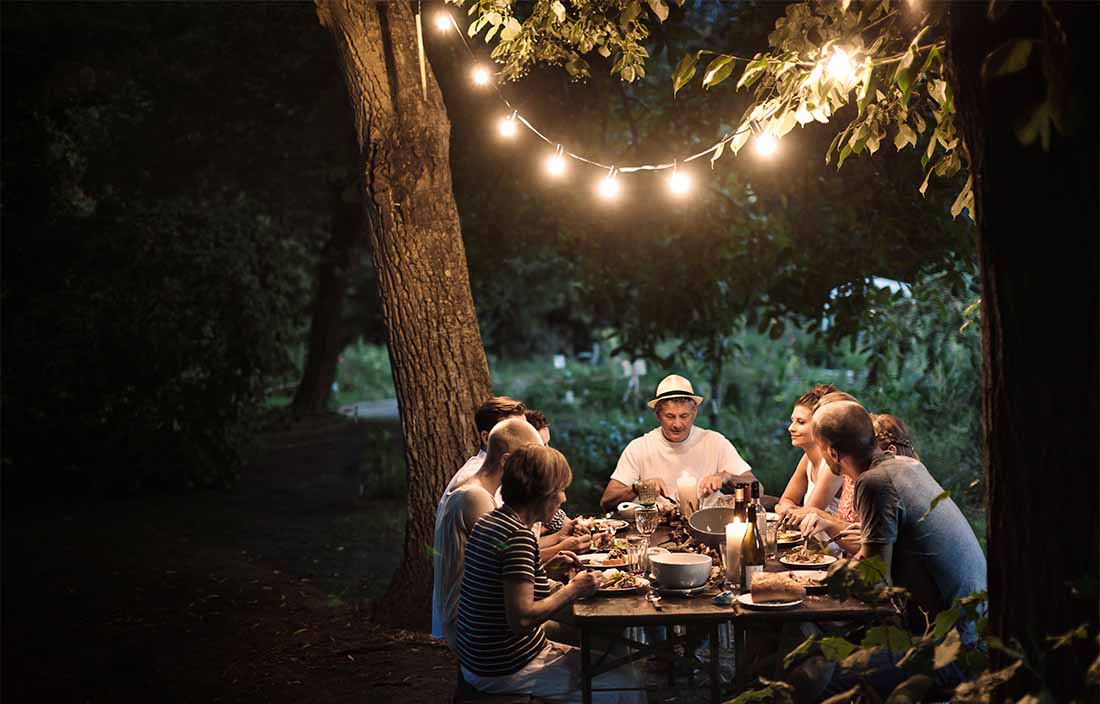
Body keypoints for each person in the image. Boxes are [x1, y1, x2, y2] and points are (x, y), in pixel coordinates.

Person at [809, 400, 987, 697]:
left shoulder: (873, 483)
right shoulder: (907, 465)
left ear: (832, 452)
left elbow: (876, 581)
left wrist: (825, 579)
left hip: (950, 649)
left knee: (816, 676)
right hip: (971, 629)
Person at [455, 445, 644, 703]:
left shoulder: (491, 522)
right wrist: (573, 589)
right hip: (506, 668)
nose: (564, 498)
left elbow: (503, 586)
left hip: (479, 659)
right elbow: (521, 619)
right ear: (540, 494)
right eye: (560, 490)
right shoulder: (518, 536)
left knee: (611, 654)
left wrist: (546, 567)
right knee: (628, 682)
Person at [431, 417, 542, 645]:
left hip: (477, 612)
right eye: (530, 460)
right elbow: (508, 559)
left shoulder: (480, 491)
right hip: (468, 622)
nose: (535, 468)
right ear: (506, 461)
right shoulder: (476, 497)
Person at [599, 374, 759, 512]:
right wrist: (638, 488)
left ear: (694, 412)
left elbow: (757, 488)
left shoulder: (714, 442)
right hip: (656, 530)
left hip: (708, 525)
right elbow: (607, 503)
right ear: (657, 414)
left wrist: (727, 478)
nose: (677, 424)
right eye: (670, 416)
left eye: (684, 416)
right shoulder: (639, 447)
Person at [439, 396, 526, 507]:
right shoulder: (474, 485)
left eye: (527, 429)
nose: (527, 437)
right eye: (515, 432)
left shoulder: (505, 473)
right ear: (486, 438)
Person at [774, 384, 845, 520]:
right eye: (792, 421)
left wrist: (787, 509)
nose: (791, 428)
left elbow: (807, 514)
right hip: (813, 540)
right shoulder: (807, 458)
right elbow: (786, 500)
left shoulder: (832, 463)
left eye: (800, 422)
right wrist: (788, 507)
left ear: (821, 425)